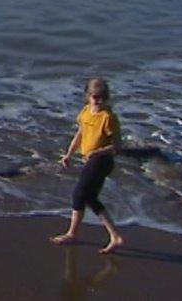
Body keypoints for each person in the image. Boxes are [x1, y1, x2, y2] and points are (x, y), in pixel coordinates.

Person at [50, 78, 125, 254]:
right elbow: (80, 134)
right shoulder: (85, 112)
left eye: (103, 97)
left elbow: (117, 146)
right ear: (88, 96)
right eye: (95, 97)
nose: (99, 100)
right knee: (90, 198)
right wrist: (69, 154)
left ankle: (72, 233)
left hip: (102, 161)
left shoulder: (108, 118)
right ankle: (115, 236)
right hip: (91, 160)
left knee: (79, 194)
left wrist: (96, 153)